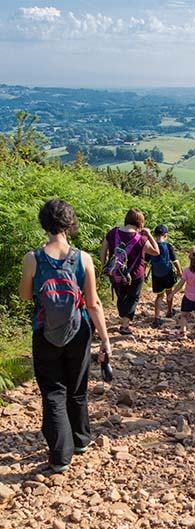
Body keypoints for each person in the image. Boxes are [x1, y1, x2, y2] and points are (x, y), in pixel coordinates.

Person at [19, 198, 111, 473]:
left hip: (44, 332)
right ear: (70, 224)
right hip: (79, 331)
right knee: (77, 387)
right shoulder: (83, 258)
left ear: (44, 223)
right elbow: (93, 303)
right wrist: (105, 339)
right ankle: (81, 439)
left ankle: (60, 456)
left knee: (53, 391)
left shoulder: (32, 258)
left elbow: (25, 296)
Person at [100, 208, 159, 336]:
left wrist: (104, 264)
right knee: (133, 297)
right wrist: (149, 235)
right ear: (140, 222)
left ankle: (123, 317)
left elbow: (103, 248)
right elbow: (156, 251)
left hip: (115, 271)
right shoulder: (141, 238)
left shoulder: (113, 232)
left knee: (121, 295)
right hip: (136, 274)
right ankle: (125, 325)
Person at [168, 245, 195, 339]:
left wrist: (172, 294)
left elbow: (180, 284)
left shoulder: (186, 271)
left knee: (184, 315)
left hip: (188, 296)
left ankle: (182, 332)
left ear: (189, 257)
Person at [146, 224, 182, 328]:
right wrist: (179, 271)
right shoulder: (168, 246)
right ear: (165, 235)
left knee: (159, 296)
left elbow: (145, 262)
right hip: (167, 273)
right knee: (169, 292)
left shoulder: (151, 246)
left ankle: (156, 318)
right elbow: (175, 260)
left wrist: (144, 274)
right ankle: (169, 311)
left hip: (156, 274)